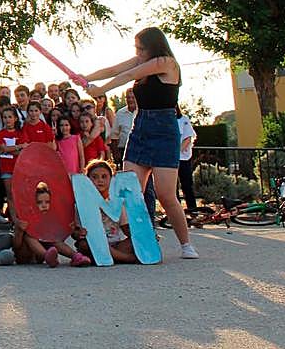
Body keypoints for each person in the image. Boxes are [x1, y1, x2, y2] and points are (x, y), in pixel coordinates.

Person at [81, 26, 198, 258]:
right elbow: (116, 69)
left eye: (141, 48)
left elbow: (127, 76)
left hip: (164, 130)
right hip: (141, 127)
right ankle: (138, 240)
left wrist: (101, 90)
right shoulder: (141, 60)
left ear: (153, 46)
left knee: (166, 194)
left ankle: (186, 244)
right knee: (128, 191)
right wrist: (87, 78)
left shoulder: (166, 62)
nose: (138, 52)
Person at [74, 159, 139, 265]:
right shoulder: (81, 205)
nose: (100, 180)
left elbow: (126, 228)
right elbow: (76, 232)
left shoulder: (117, 202)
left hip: (116, 244)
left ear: (111, 180)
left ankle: (112, 256)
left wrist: (144, 235)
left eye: (104, 177)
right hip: (94, 244)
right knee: (83, 245)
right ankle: (126, 258)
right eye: (94, 177)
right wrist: (79, 234)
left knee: (133, 242)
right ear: (87, 180)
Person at [11, 183, 91, 267]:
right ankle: (47, 256)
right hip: (25, 255)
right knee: (29, 235)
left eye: (47, 202)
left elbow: (60, 237)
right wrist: (19, 231)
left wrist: (71, 228)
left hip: (40, 255)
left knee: (53, 239)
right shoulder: (26, 217)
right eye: (39, 202)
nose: (44, 205)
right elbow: (16, 245)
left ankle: (75, 256)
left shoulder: (50, 218)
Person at [0, 107, 23, 223]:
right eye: (5, 117)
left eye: (10, 117)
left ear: (15, 119)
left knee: (20, 195)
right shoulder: (0, 134)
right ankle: (14, 220)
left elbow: (23, 152)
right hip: (6, 168)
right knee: (10, 195)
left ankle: (22, 218)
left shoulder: (21, 133)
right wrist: (18, 147)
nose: (7, 120)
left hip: (19, 168)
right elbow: (2, 149)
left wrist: (9, 150)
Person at [177, 107, 198, 212]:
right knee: (172, 188)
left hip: (183, 158)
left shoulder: (183, 119)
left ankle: (193, 210)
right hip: (169, 159)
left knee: (187, 185)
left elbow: (188, 138)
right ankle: (176, 212)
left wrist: (178, 151)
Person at [110, 88, 137, 164]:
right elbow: (114, 135)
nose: (130, 100)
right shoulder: (120, 113)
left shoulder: (143, 112)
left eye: (133, 97)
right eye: (128, 97)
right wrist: (116, 153)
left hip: (140, 149)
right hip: (124, 149)